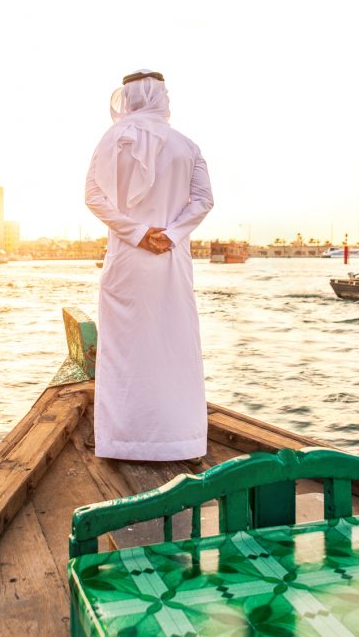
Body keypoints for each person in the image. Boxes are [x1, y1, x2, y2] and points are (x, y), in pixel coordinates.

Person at [85, 70, 215, 462]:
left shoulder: (113, 140)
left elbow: (93, 197)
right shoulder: (186, 145)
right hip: (171, 261)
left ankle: (123, 441)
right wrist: (171, 235)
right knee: (174, 342)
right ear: (162, 97)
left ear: (127, 99)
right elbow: (203, 200)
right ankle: (181, 441)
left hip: (127, 258)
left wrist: (139, 233)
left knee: (124, 348)